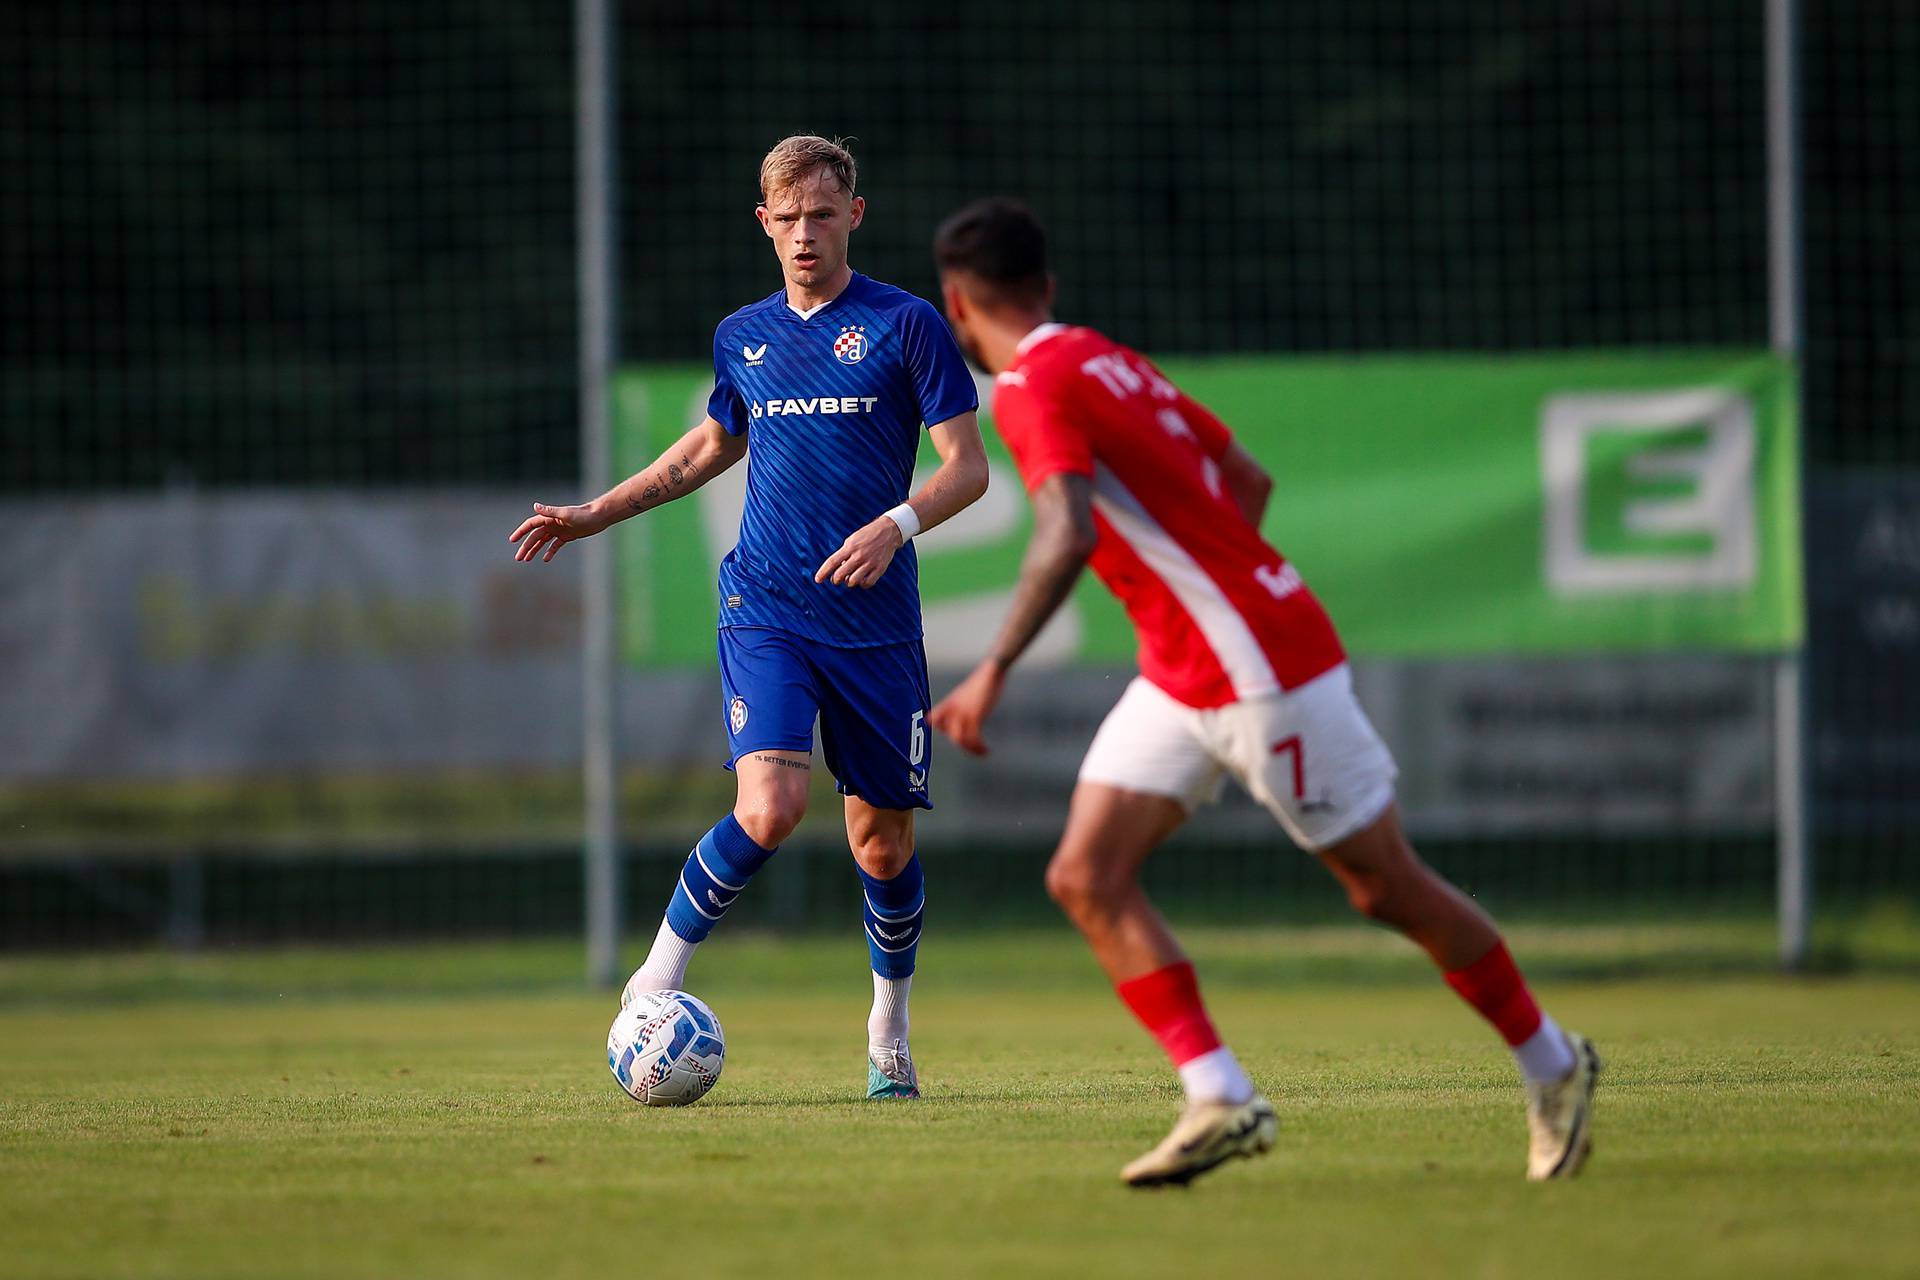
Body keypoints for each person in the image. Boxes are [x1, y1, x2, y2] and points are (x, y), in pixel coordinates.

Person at [926, 197, 1599, 1185]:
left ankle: (1554, 1061)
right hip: (1186, 667)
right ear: (1049, 287)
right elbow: (1248, 476)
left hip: (1259, 671)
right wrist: (1206, 584)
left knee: (1385, 886)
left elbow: (1065, 529)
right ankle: (1220, 1093)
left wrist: (990, 668)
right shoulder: (1109, 357)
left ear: (955, 305)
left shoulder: (1028, 386)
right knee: (1085, 873)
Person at [512, 137, 987, 1100]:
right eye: (789, 218)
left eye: (823, 214)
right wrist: (595, 512)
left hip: (876, 620)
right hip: (766, 605)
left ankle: (887, 1026)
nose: (806, 234)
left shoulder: (906, 326)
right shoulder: (745, 336)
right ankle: (650, 986)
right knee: (769, 808)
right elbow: (706, 449)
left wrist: (897, 526)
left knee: (881, 844)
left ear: (855, 214)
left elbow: (966, 469)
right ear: (763, 223)